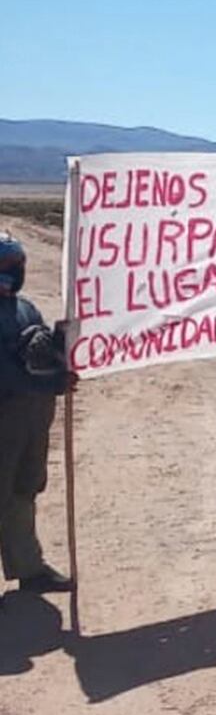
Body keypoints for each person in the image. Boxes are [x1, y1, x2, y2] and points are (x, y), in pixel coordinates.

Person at [0, 232, 74, 596]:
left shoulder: (25, 307)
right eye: (4, 265)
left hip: (32, 418)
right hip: (5, 412)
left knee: (25, 489)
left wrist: (64, 341)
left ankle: (28, 566)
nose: (11, 272)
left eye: (15, 264)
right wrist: (51, 386)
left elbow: (40, 348)